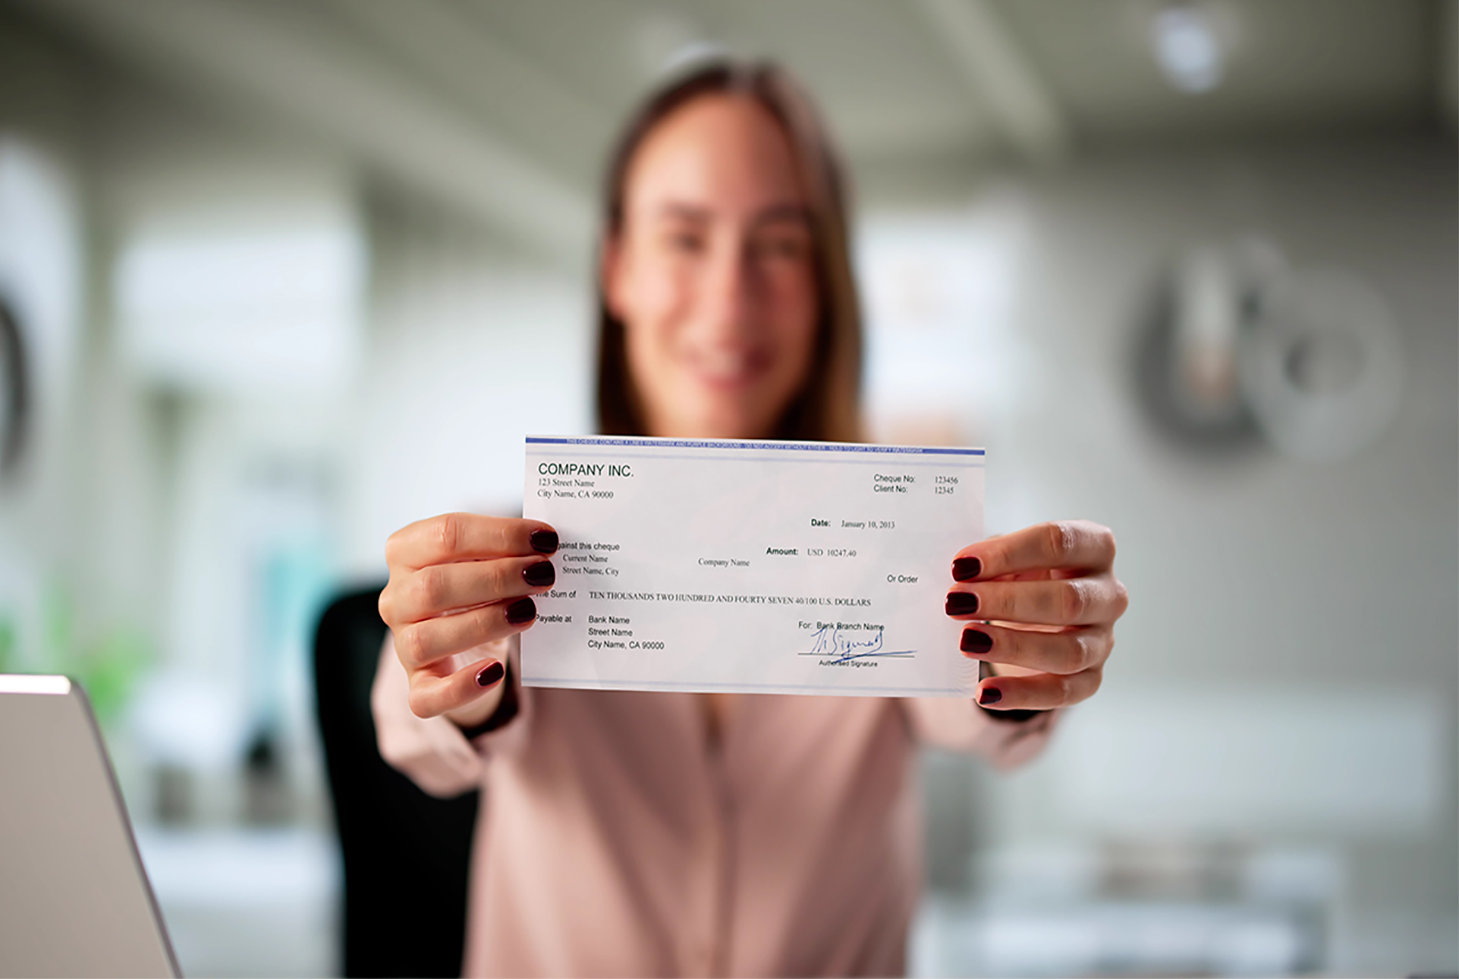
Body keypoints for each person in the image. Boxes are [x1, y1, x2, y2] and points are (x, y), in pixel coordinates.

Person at [372, 61, 1128, 978]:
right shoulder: (516, 562)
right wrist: (445, 666)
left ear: (826, 286)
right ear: (618, 270)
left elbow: (977, 714)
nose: (730, 298)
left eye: (779, 244)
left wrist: (1025, 647)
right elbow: (418, 734)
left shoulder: (909, 552)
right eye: (685, 238)